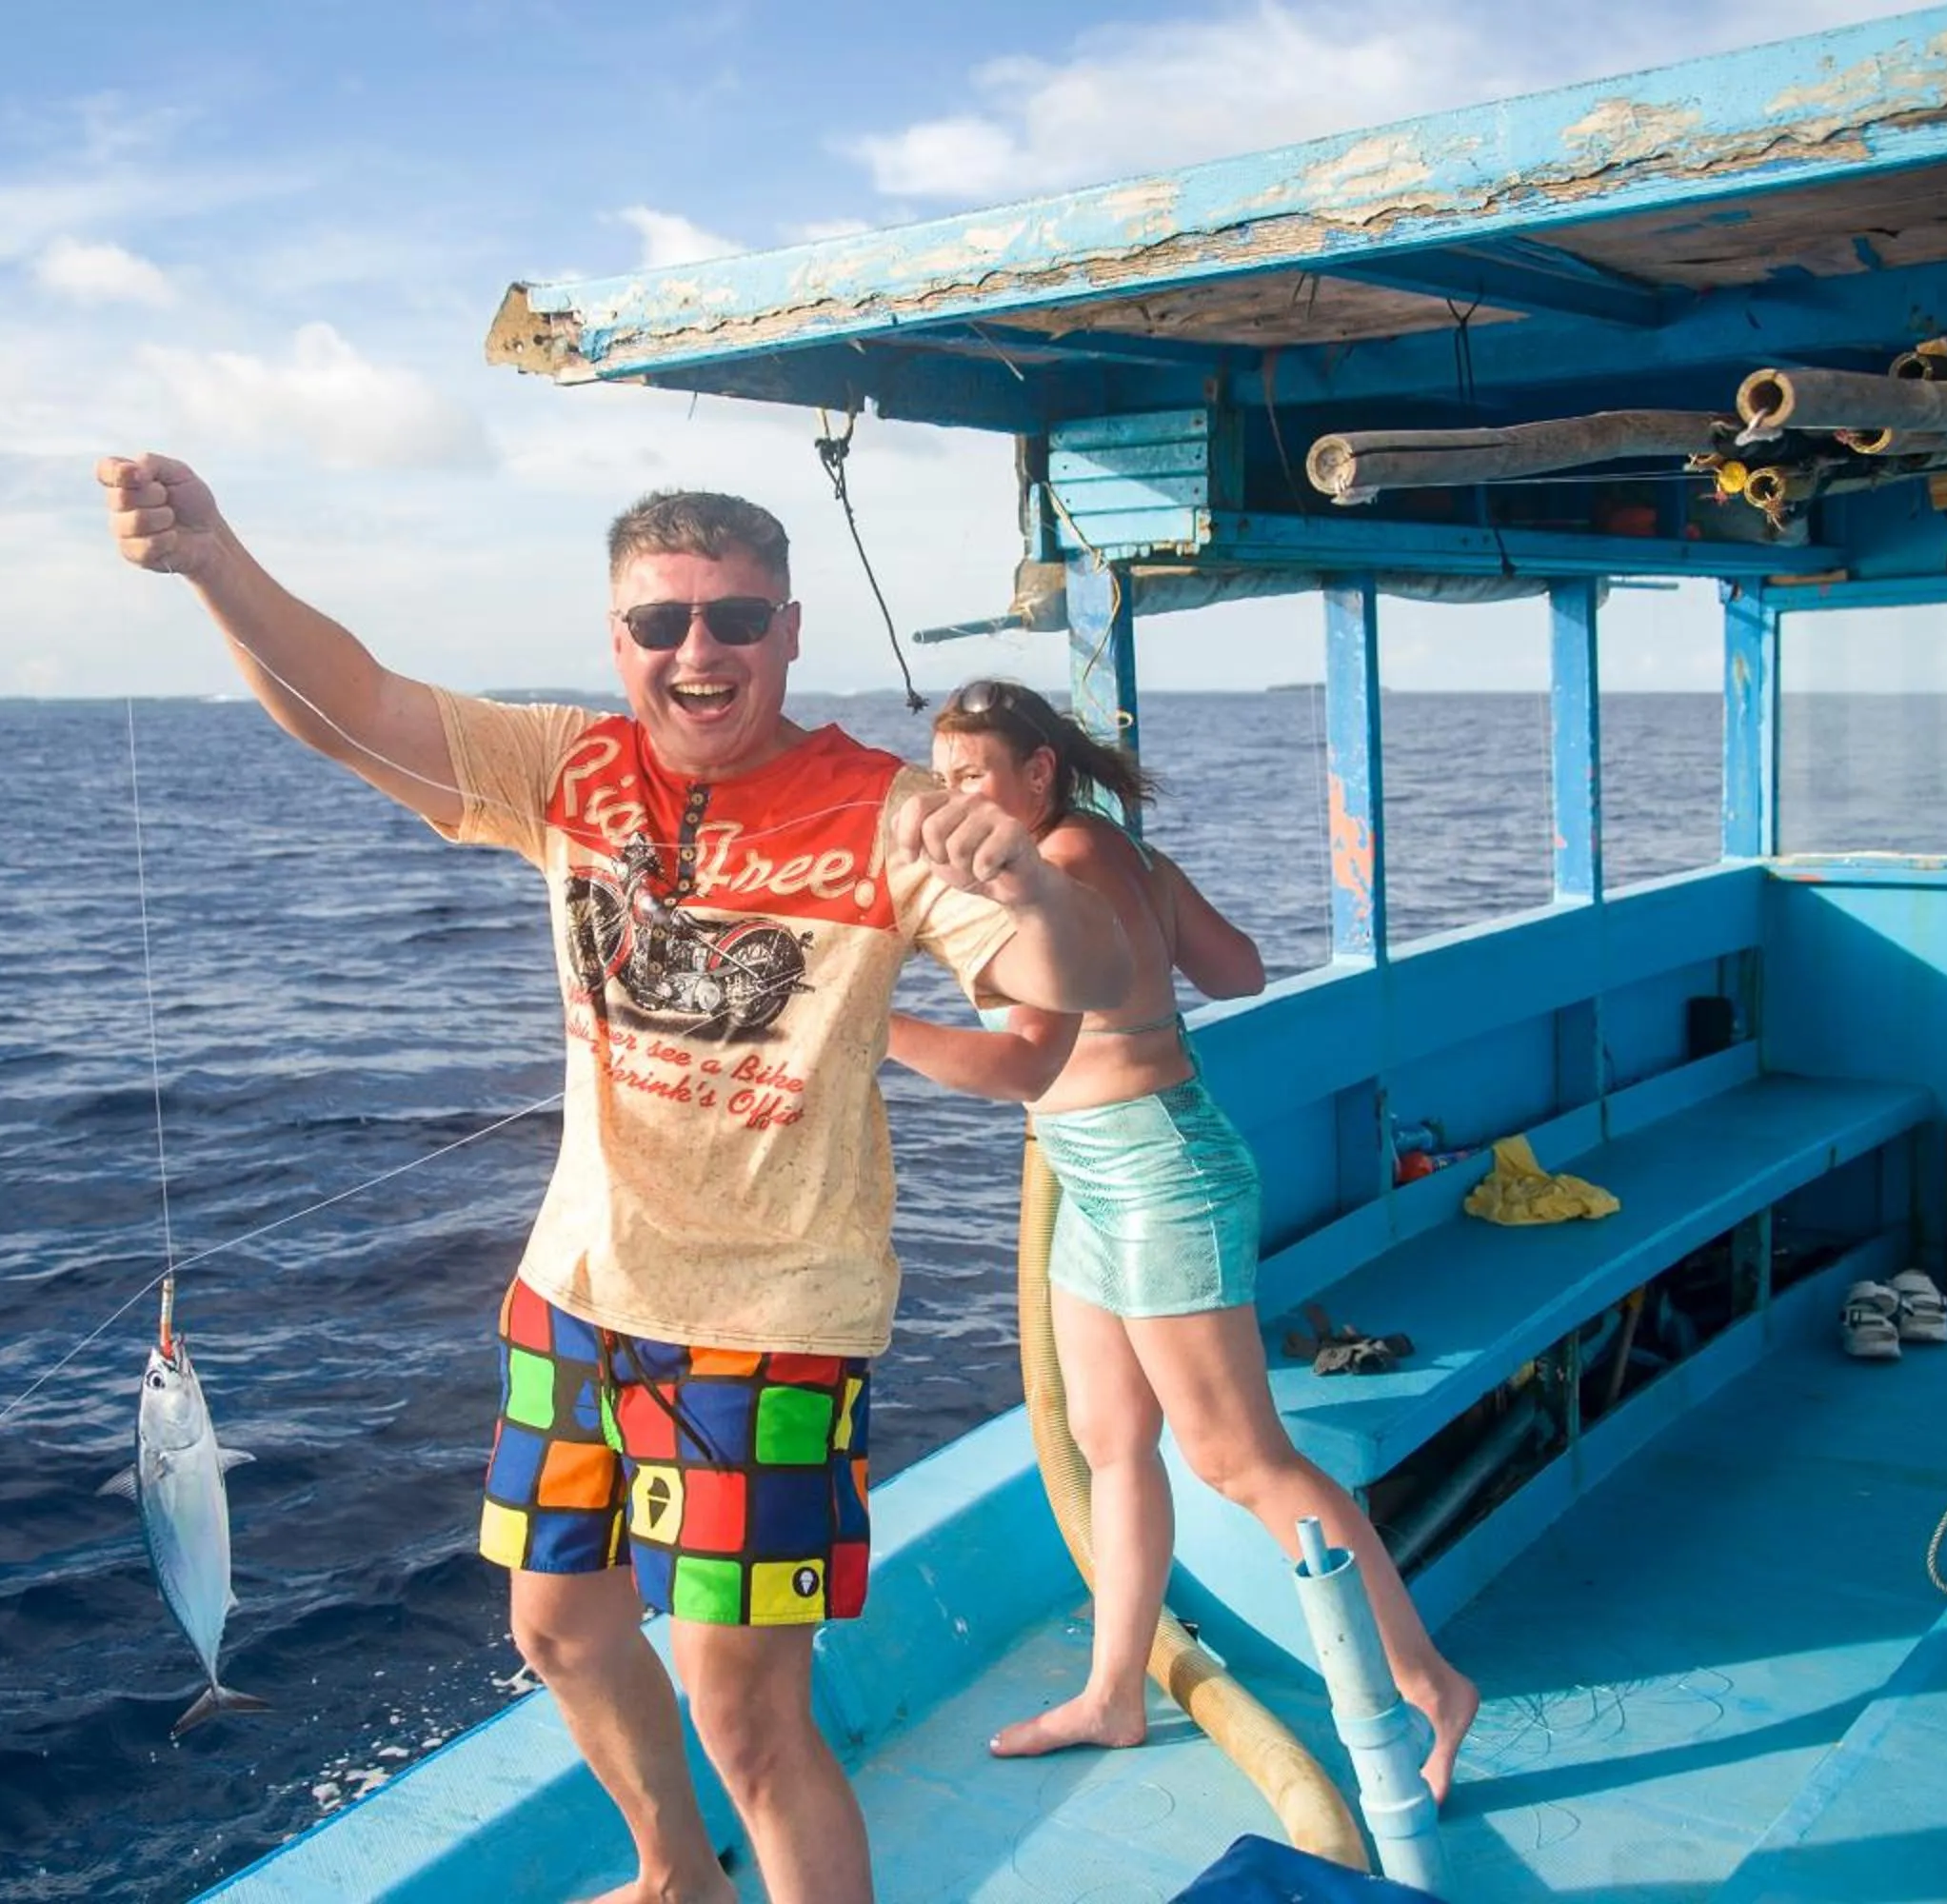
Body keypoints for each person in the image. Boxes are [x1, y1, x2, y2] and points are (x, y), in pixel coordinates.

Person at [97, 459, 1130, 1904]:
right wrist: (215, 561)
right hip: (574, 1296)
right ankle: (673, 1879)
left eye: (735, 617)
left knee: (747, 1714)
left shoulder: (891, 813)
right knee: (561, 1631)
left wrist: (1027, 885)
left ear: (787, 628)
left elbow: (1071, 984)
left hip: (772, 1318)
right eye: (661, 625)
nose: (698, 652)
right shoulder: (570, 771)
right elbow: (353, 709)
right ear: (617, 637)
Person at [886, 678, 1476, 1806]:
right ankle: (1115, 1690)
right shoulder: (1120, 853)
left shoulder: (1058, 867)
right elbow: (1240, 971)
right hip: (1099, 1174)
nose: (954, 799)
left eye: (973, 777)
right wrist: (1150, 952)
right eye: (943, 778)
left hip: (1159, 1172)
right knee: (1111, 1437)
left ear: (1037, 775)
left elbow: (1020, 1061)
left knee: (1242, 1458)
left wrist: (870, 1021)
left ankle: (1431, 1684)